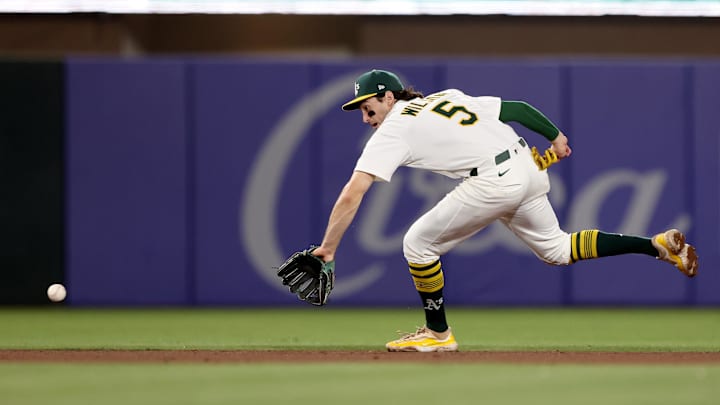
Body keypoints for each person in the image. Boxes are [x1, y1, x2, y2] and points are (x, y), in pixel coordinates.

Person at [309, 69, 698, 352]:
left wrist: (327, 248)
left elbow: (351, 193)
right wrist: (555, 136)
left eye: (367, 105)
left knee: (417, 245)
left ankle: (438, 335)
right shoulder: (446, 97)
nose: (365, 116)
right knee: (558, 250)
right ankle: (658, 245)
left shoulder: (395, 125)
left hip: (493, 179)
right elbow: (515, 108)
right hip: (526, 167)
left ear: (389, 98)